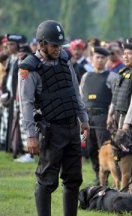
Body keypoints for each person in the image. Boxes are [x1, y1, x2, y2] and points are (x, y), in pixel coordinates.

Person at [18, 20, 90, 216]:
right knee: (47, 180)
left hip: (72, 128)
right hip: (51, 130)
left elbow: (75, 91)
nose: (58, 48)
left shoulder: (65, 60)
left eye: (60, 45)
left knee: (74, 178)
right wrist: (30, 136)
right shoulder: (29, 68)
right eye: (54, 45)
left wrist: (84, 119)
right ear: (41, 44)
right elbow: (25, 103)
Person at [106, 38, 132, 196]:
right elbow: (115, 97)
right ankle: (125, 193)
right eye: (124, 53)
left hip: (130, 123)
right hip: (118, 119)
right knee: (120, 156)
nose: (125, 56)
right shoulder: (123, 72)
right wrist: (110, 114)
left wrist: (127, 124)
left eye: (129, 53)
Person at [80, 46, 118, 185]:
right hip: (88, 117)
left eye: (103, 58)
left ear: (107, 60)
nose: (100, 60)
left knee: (104, 148)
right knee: (90, 147)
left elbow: (116, 98)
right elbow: (80, 96)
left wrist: (111, 115)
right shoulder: (86, 76)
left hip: (103, 117)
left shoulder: (112, 77)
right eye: (97, 57)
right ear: (92, 59)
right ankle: (98, 175)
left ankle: (107, 178)